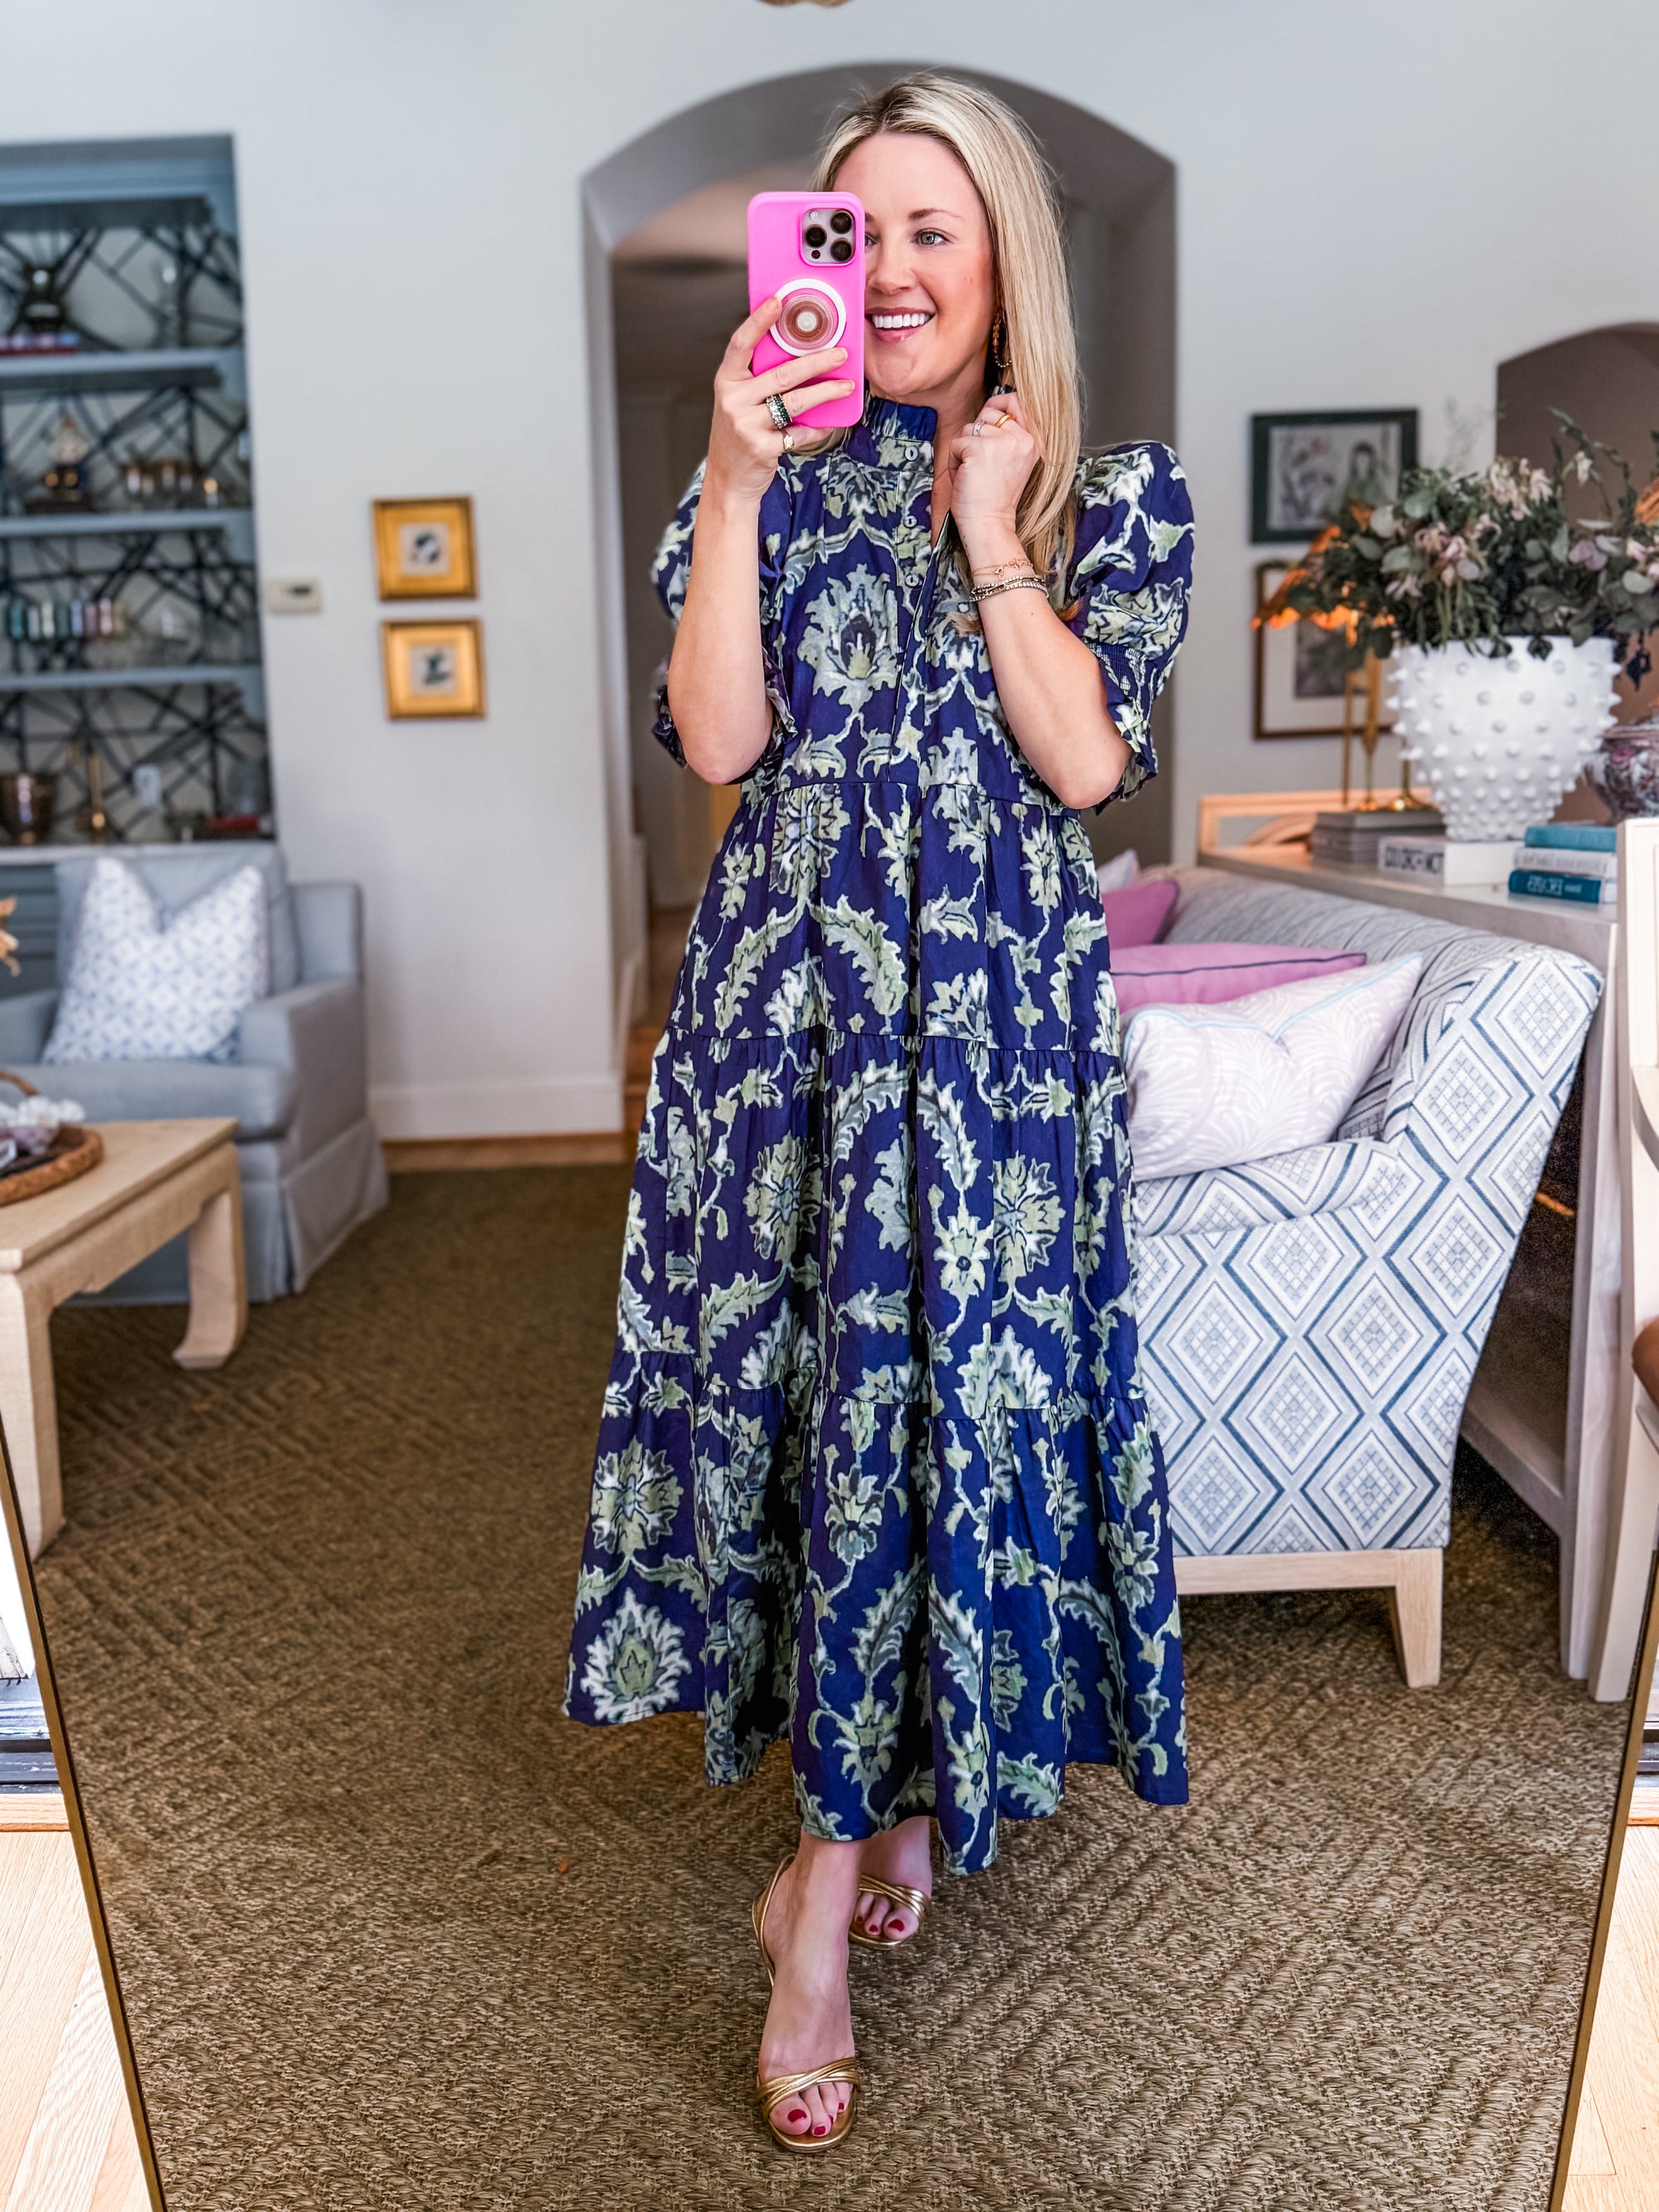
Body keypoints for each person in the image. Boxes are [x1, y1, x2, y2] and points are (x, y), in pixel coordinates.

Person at [566, 71, 1192, 2153]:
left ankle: (837, 1868)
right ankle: (828, 1890)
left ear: (1007, 255)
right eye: (859, 230)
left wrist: (994, 538)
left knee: (949, 1412)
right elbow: (716, 740)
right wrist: (735, 477)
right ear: (805, 260)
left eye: (938, 229)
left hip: (998, 1033)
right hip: (792, 1024)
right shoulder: (759, 478)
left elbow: (1085, 767)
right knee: (832, 1415)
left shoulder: (1113, 494)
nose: (897, 271)